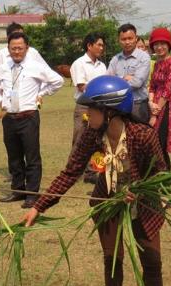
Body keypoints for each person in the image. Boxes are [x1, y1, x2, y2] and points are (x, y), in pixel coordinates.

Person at [23, 75, 167, 286]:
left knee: (151, 261)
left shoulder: (143, 136)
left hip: (144, 205)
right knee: (112, 260)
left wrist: (138, 192)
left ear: (111, 112)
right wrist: (38, 207)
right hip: (107, 202)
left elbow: (161, 174)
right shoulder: (92, 134)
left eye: (92, 109)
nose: (87, 113)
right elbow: (70, 172)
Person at [0, 32, 63, 208]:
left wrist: (41, 93)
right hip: (9, 117)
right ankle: (18, 190)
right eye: (13, 48)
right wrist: (0, 100)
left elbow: (58, 81)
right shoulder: (2, 67)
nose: (17, 51)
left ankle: (32, 194)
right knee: (13, 157)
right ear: (8, 49)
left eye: (20, 48)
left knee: (32, 157)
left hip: (29, 116)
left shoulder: (35, 66)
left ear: (27, 48)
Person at [70, 32, 107, 183]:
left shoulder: (102, 65)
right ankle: (73, 171)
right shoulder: (79, 63)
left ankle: (92, 172)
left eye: (102, 45)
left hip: (99, 107)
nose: (101, 48)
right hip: (84, 106)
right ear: (89, 46)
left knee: (98, 140)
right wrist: (101, 89)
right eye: (99, 44)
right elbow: (81, 86)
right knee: (80, 138)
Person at [148, 28, 171, 171]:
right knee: (153, 145)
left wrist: (155, 113)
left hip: (165, 108)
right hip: (154, 105)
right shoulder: (158, 63)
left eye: (163, 44)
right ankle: (156, 176)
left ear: (169, 45)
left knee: (160, 144)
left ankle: (166, 177)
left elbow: (167, 91)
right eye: (156, 44)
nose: (159, 47)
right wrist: (150, 103)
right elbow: (152, 86)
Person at [108, 24, 151, 124]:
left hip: (138, 105)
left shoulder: (144, 57)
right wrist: (124, 78)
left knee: (139, 138)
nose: (127, 42)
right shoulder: (115, 59)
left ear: (136, 38)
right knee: (119, 138)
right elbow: (108, 80)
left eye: (130, 38)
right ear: (119, 40)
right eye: (123, 39)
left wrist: (117, 80)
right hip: (118, 106)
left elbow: (137, 83)